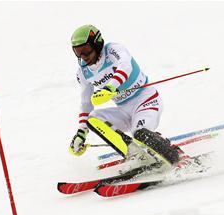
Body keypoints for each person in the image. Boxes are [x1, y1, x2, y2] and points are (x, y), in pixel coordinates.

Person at [68, 25, 181, 165]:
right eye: (78, 52)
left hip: (146, 101)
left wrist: (110, 88)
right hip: (123, 110)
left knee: (140, 133)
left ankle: (174, 157)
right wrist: (81, 133)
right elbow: (86, 102)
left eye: (85, 50)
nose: (83, 57)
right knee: (93, 120)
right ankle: (136, 155)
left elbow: (125, 66)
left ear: (97, 44)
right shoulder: (83, 72)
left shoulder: (113, 50)